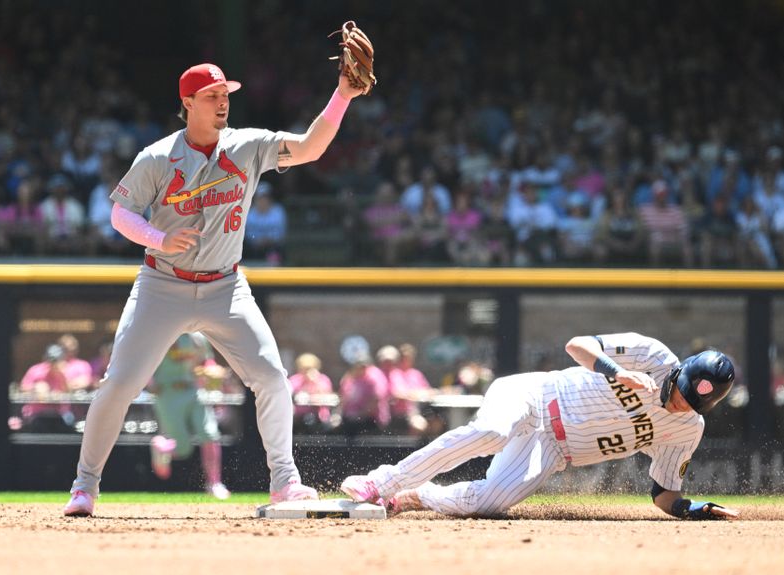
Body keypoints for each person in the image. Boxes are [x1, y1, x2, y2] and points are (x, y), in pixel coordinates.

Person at [63, 59, 368, 517]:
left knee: (271, 378)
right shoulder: (157, 157)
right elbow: (120, 215)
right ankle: (84, 487)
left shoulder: (247, 145)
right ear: (187, 103)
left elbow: (309, 148)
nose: (223, 102)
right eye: (212, 96)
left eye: (226, 94)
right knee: (119, 383)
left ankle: (285, 481)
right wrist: (159, 238)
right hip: (162, 284)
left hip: (227, 286)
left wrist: (342, 94)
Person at [341, 332, 740, 521]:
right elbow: (576, 345)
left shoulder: (688, 429)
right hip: (536, 395)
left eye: (690, 402)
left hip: (553, 451)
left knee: (490, 504)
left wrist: (693, 509)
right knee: (491, 433)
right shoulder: (652, 354)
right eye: (681, 390)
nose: (678, 402)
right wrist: (619, 373)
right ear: (682, 371)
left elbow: (663, 494)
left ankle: (415, 496)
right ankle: (383, 482)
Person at [147, 333, 231, 500]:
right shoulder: (160, 332)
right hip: (167, 393)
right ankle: (160, 447)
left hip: (194, 390)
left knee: (209, 434)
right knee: (183, 449)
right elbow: (145, 362)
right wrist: (149, 382)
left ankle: (214, 483)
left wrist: (211, 368)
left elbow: (206, 360)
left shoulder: (198, 337)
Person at [288, 352, 334, 432]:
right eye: (304, 368)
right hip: (298, 417)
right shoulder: (294, 380)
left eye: (310, 368)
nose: (307, 371)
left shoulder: (323, 380)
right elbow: (291, 396)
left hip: (319, 417)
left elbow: (327, 396)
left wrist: (315, 382)